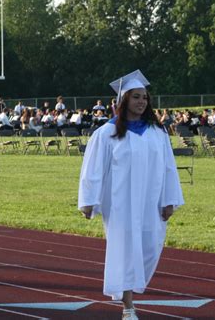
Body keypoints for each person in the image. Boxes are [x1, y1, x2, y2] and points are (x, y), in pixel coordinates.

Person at [78, 70, 184, 320]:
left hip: (150, 202)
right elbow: (93, 168)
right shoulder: (107, 133)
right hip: (121, 205)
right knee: (125, 251)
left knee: (149, 249)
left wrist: (169, 200)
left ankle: (128, 291)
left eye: (145, 98)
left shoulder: (156, 132)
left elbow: (169, 167)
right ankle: (128, 306)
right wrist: (88, 201)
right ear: (124, 100)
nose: (141, 102)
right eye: (136, 97)